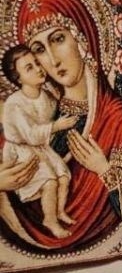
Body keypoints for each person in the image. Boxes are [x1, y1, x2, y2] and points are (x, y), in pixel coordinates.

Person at [3, 0, 122, 250]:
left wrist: (104, 170)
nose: (52, 59)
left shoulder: (120, 123)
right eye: (38, 49)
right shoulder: (34, 115)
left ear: (82, 39)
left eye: (58, 39)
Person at [1, 44, 77, 238]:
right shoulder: (15, 103)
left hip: (41, 147)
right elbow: (30, 135)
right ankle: (49, 220)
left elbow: (52, 112)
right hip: (21, 152)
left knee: (63, 176)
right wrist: (56, 126)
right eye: (29, 68)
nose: (38, 69)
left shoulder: (46, 96)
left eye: (37, 63)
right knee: (49, 181)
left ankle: (59, 211)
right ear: (18, 78)